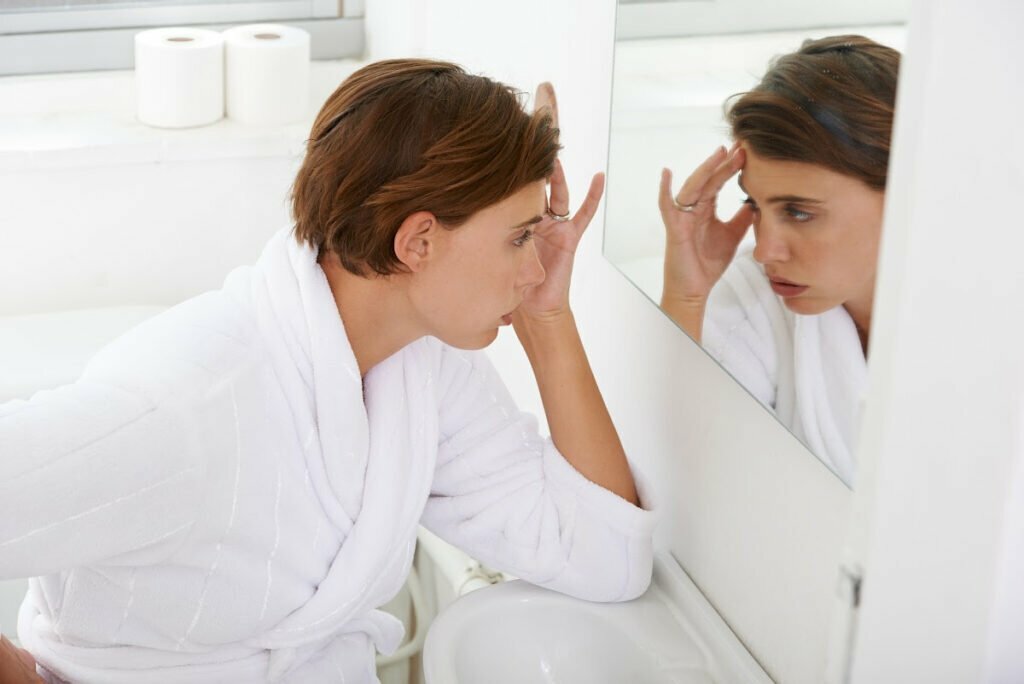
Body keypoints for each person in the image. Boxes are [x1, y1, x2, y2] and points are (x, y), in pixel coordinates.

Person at [0, 59, 655, 683]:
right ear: (418, 241)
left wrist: (544, 317)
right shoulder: (189, 403)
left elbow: (607, 558)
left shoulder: (420, 369)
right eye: (519, 238)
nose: (536, 266)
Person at [658, 35, 900, 485]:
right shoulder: (751, 293)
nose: (766, 250)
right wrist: (685, 295)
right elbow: (683, 478)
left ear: (904, 194)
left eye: (799, 212)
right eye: (754, 205)